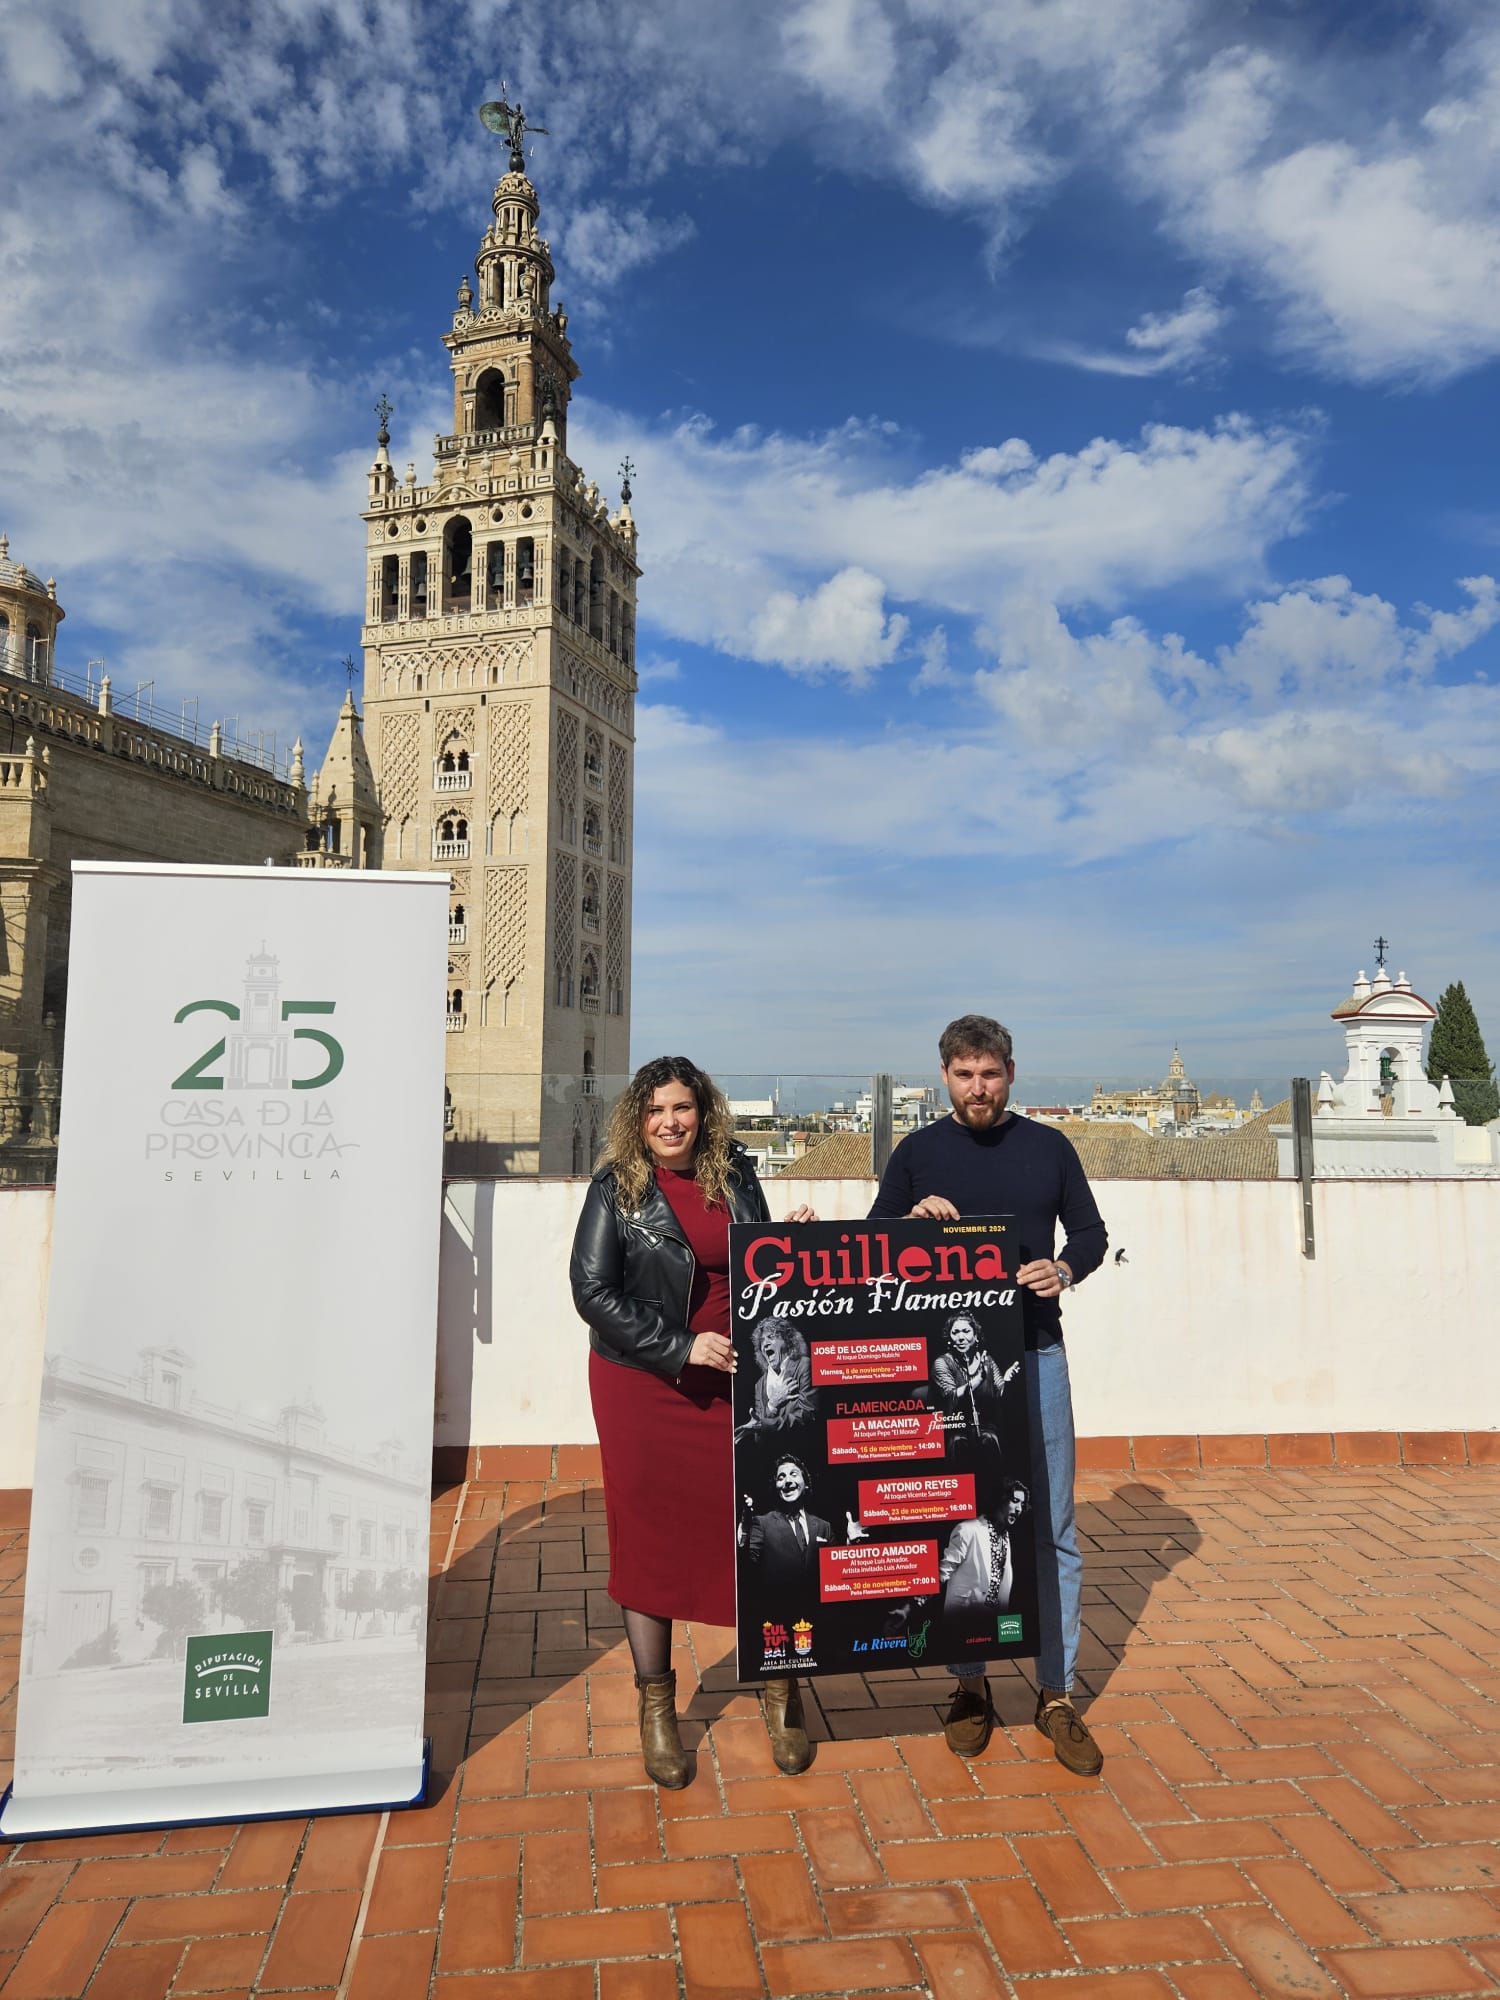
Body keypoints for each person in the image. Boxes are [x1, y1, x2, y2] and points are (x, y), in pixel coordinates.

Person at [868, 1013, 1108, 1775]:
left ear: (1011, 1074)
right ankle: (969, 1685)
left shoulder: (1050, 1147)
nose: (979, 1088)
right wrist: (911, 1224)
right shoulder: (916, 1153)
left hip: (1035, 1355)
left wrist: (1063, 1269)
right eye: (966, 1074)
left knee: (1053, 1531)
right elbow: (871, 1247)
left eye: (991, 1074)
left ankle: (1056, 1695)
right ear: (945, 1076)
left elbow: (1091, 1235)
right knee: (960, 1520)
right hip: (948, 1373)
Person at [570, 1056, 817, 1787]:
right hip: (644, 1386)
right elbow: (591, 1292)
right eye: (655, 1111)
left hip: (733, 1383)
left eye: (681, 1107)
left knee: (758, 1529)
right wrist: (680, 1346)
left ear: (702, 1111)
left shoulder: (734, 1173)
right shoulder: (615, 1188)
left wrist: (790, 1244)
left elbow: (756, 1270)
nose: (669, 1122)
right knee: (649, 1540)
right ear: (637, 1120)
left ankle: (780, 1687)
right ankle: (657, 1707)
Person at [931, 1311, 1019, 1483]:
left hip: (986, 1427)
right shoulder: (942, 1363)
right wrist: (979, 1379)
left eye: (966, 1331)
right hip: (955, 1428)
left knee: (990, 1441)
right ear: (949, 1337)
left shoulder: (988, 1361)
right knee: (958, 1443)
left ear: (976, 1335)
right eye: (955, 1332)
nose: (960, 1337)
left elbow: (1000, 1394)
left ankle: (994, 1492)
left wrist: (1007, 1381)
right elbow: (951, 1397)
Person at [737, 1454, 831, 1603]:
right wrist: (745, 1529)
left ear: (806, 1484)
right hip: (779, 1610)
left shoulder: (824, 1527)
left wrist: (851, 1544)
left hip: (819, 1610)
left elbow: (834, 1575)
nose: (787, 1481)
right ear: (776, 1488)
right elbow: (747, 1565)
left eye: (794, 1474)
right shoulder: (762, 1523)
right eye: (781, 1478)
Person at [939, 1480, 1030, 1614]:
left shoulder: (1005, 1536)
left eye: (1022, 1504)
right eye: (1015, 1501)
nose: (1019, 1509)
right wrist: (911, 1605)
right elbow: (942, 1572)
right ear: (1001, 1499)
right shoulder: (967, 1530)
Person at [734, 1314, 816, 1439]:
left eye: (770, 1337)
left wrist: (765, 1425)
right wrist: (772, 1404)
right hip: (770, 1449)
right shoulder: (760, 1385)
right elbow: (758, 1434)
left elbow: (808, 1415)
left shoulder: (804, 1365)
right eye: (761, 1341)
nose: (765, 1344)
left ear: (787, 1341)